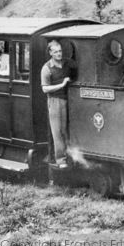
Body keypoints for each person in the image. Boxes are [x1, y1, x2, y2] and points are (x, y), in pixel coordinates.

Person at [40, 40, 76, 169]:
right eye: (55, 52)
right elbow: (45, 89)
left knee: (68, 130)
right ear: (50, 53)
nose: (59, 54)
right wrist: (61, 85)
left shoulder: (67, 63)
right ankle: (61, 160)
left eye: (60, 51)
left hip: (69, 98)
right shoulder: (47, 68)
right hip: (55, 100)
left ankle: (73, 156)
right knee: (58, 130)